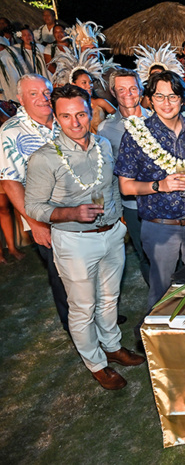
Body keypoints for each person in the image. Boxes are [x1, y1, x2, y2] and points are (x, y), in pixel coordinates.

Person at [25, 84, 145, 390]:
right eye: (66, 116)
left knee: (109, 299)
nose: (75, 122)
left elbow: (113, 188)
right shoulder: (44, 158)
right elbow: (34, 206)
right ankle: (96, 363)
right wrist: (70, 213)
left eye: (81, 114)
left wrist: (120, 222)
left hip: (111, 235)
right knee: (82, 307)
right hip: (74, 242)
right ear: (56, 117)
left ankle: (113, 346)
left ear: (90, 111)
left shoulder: (103, 144)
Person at [115, 70, 185, 316]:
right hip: (160, 226)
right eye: (159, 97)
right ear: (149, 99)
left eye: (172, 96)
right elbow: (125, 186)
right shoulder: (137, 134)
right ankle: (162, 347)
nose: (167, 103)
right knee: (162, 291)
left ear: (182, 99)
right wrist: (159, 185)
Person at [0, 74, 69, 331]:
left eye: (46, 92)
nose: (43, 98)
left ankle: (97, 316)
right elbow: (10, 183)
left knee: (90, 269)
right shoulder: (11, 132)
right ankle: (75, 329)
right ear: (20, 99)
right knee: (63, 278)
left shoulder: (63, 119)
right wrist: (35, 224)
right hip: (46, 220)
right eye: (33, 93)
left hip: (79, 213)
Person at [97, 68, 152, 284]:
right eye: (121, 89)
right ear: (112, 92)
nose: (127, 94)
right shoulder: (105, 129)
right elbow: (108, 173)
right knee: (145, 255)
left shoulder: (157, 120)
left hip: (164, 201)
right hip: (132, 207)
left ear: (140, 89)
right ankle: (159, 302)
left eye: (132, 88)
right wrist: (115, 210)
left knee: (173, 254)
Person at [0, 36, 25, 102]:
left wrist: (26, 77)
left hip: (15, 77)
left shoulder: (10, 50)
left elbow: (22, 64)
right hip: (2, 83)